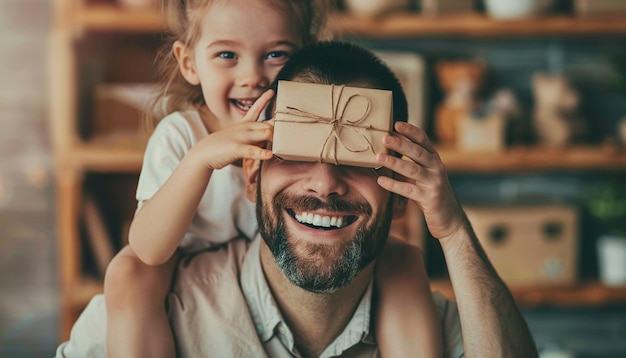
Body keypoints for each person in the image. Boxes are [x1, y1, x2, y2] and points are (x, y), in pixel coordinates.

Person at [57, 41, 538, 358]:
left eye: (357, 157)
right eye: (295, 153)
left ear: (402, 194)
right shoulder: (138, 322)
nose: (325, 183)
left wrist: (454, 232)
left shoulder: (447, 329)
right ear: (251, 174)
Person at [103, 0, 441, 357]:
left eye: (276, 54)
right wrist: (200, 161)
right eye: (227, 55)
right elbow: (148, 248)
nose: (253, 77)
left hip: (268, 261)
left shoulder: (310, 131)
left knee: (404, 258)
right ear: (189, 63)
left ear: (306, 58)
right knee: (127, 272)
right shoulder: (182, 134)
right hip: (183, 260)